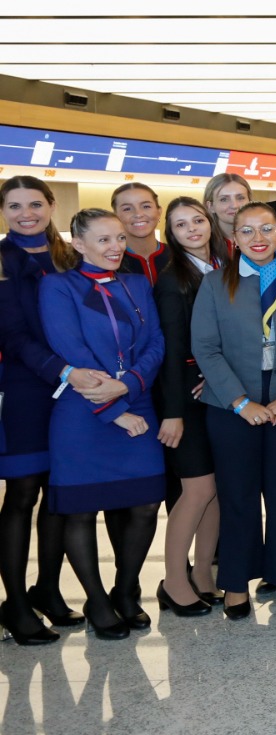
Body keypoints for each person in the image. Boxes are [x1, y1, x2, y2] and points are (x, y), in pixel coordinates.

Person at [42, 209, 166, 639]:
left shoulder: (136, 283)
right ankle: (96, 601)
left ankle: (126, 589)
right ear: (78, 244)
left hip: (136, 400)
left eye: (118, 238)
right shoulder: (58, 286)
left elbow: (155, 342)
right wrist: (113, 409)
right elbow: (69, 349)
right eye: (103, 240)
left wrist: (129, 385)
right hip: (83, 412)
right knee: (80, 512)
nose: (115, 247)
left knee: (147, 502)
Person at [191, 201, 276, 619]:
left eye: (266, 229)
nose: (257, 239)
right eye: (247, 231)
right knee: (238, 496)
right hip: (231, 406)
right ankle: (236, 583)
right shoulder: (214, 283)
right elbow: (205, 347)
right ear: (234, 238)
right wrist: (240, 403)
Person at [0, 176, 84, 644]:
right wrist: (62, 370)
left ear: (52, 205)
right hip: (27, 389)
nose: (26, 213)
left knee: (60, 491)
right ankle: (13, 603)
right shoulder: (2, 260)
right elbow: (11, 334)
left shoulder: (70, 257)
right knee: (22, 493)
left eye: (35, 204)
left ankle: (47, 589)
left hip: (74, 388)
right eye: (14, 206)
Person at [151, 198, 227, 617]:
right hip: (185, 399)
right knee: (196, 489)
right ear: (172, 234)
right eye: (181, 225)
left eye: (197, 220)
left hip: (215, 395)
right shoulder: (172, 280)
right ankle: (173, 581)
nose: (193, 229)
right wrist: (173, 411)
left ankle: (203, 575)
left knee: (213, 491)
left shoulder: (221, 267)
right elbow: (172, 348)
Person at [113, 182, 169, 284]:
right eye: (127, 209)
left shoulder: (179, 257)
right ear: (115, 216)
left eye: (146, 206)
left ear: (159, 212)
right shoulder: (109, 262)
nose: (138, 214)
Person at [202, 173, 251, 243]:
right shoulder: (201, 242)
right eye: (224, 199)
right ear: (211, 206)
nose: (234, 205)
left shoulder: (263, 238)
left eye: (240, 198)